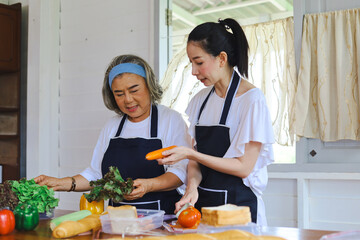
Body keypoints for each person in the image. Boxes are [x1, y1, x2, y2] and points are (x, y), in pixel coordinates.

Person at [35, 54, 191, 214]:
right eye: (119, 94)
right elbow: (96, 174)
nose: (128, 100)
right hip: (116, 219)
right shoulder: (113, 126)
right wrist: (61, 183)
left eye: (134, 90)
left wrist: (148, 185)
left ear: (149, 86)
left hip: (161, 218)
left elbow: (180, 172)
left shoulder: (170, 120)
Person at [156, 18, 274, 225]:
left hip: (240, 210)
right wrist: (191, 188)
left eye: (199, 62)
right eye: (191, 63)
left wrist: (191, 153)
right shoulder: (200, 101)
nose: (193, 71)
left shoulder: (251, 100)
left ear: (221, 58)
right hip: (204, 208)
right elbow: (195, 162)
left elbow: (243, 167)